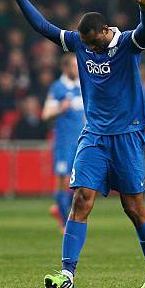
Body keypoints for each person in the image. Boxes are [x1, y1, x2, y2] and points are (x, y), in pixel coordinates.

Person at [0, 0, 145, 288]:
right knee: (81, 198)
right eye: (85, 44)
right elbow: (44, 28)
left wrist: (144, 8)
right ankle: (68, 274)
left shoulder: (128, 44)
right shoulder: (79, 42)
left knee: (133, 208)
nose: (88, 49)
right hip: (94, 136)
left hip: (127, 137)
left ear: (104, 32)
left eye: (93, 43)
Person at [42, 54, 85, 231]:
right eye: (74, 66)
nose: (77, 69)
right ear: (66, 68)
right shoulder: (58, 88)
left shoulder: (81, 87)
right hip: (64, 142)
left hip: (81, 141)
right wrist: (61, 108)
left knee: (79, 183)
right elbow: (45, 114)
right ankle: (63, 219)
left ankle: (61, 209)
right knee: (63, 179)